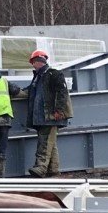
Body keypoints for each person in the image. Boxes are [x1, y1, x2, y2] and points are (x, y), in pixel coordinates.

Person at [25, 49, 73, 177]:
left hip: (50, 116)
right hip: (42, 117)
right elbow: (28, 92)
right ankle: (53, 169)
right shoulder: (38, 77)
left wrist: (59, 110)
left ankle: (41, 167)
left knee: (45, 141)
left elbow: (62, 92)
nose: (33, 65)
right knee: (50, 142)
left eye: (33, 62)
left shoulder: (53, 74)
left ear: (36, 61)